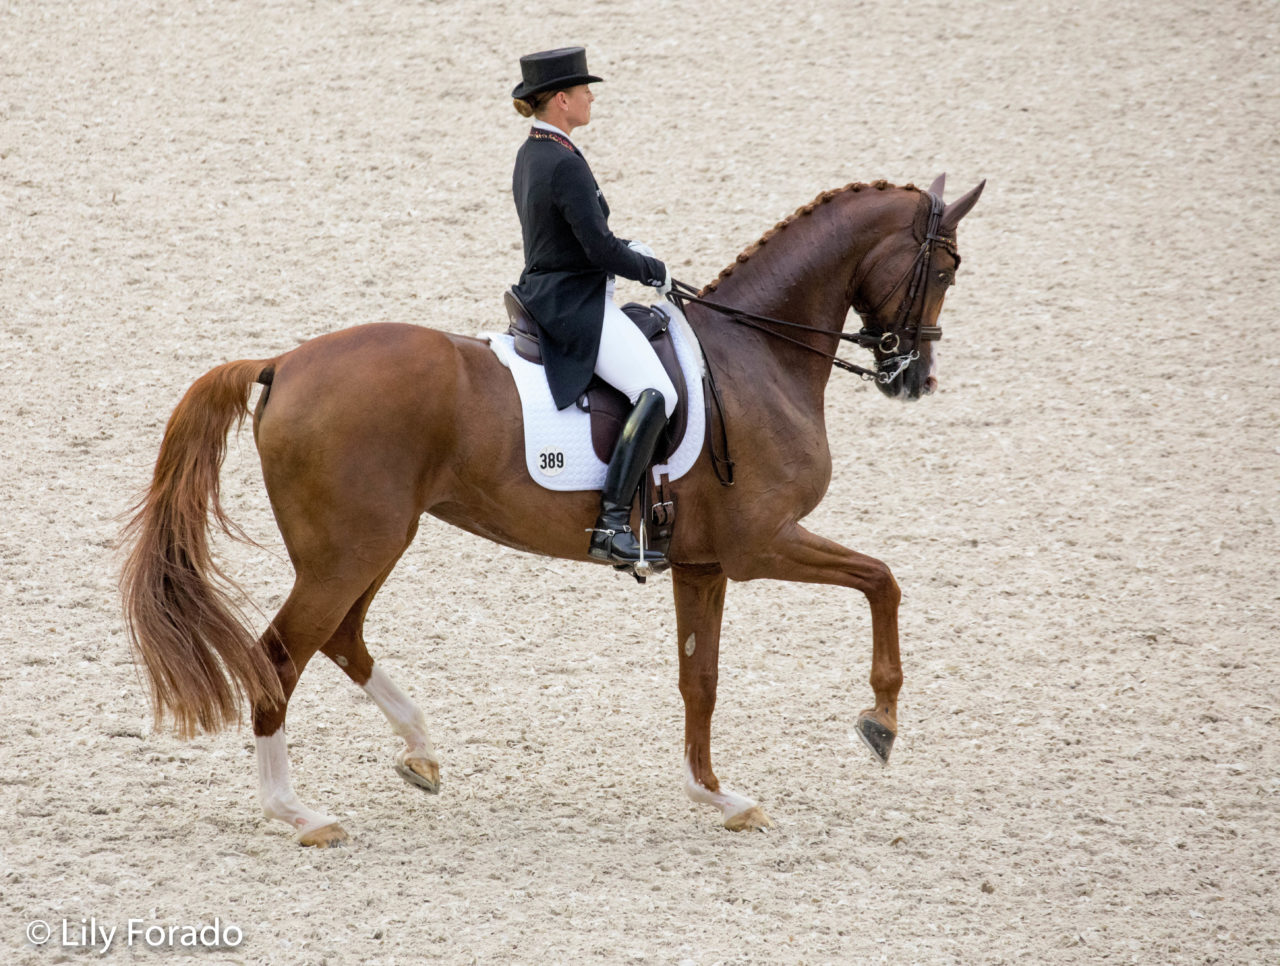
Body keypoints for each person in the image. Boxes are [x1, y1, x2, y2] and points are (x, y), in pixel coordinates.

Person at [509, 47, 677, 568]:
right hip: (575, 303)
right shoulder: (564, 163)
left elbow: (577, 237)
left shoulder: (533, 152)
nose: (590, 97)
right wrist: (652, 270)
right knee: (658, 392)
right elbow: (599, 252)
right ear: (561, 99)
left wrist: (627, 247)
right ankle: (611, 523)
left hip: (547, 289)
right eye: (584, 90)